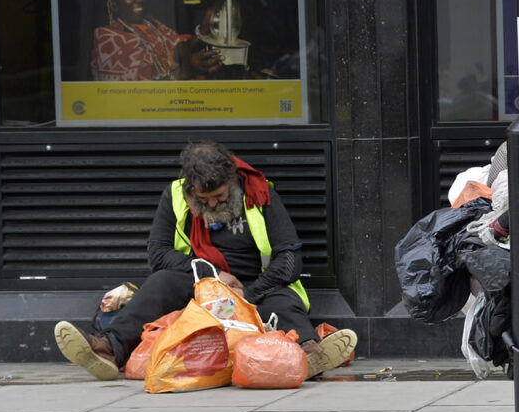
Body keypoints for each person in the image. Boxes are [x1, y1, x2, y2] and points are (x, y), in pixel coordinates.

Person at [54, 141, 356, 381]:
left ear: (232, 181)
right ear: (190, 188)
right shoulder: (174, 196)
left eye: (220, 197)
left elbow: (290, 261)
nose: (211, 204)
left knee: (283, 301)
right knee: (160, 283)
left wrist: (246, 294)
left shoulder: (260, 193)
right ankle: (110, 348)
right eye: (203, 198)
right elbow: (157, 255)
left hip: (255, 287)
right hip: (202, 285)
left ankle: (308, 351)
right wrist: (214, 276)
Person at [90, 0, 224, 81]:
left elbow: (175, 48)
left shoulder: (150, 24)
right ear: (114, 5)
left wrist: (204, 30)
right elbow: (137, 92)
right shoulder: (107, 38)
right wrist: (186, 71)